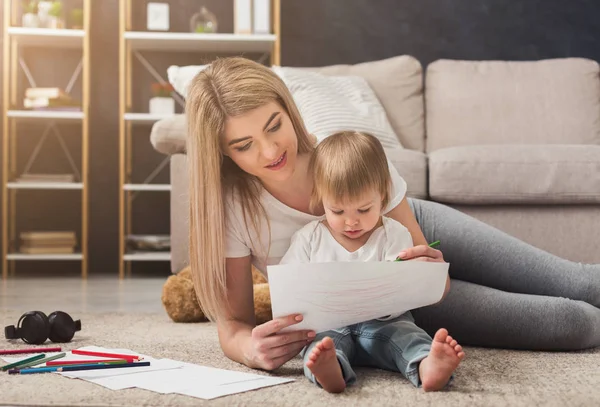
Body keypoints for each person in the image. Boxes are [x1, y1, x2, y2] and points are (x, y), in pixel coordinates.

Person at [185, 56, 600, 372]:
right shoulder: (234, 210)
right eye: (244, 145)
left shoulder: (344, 153)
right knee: (571, 323)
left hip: (410, 242)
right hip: (396, 305)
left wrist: (428, 268)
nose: (270, 151)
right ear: (221, 153)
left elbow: (422, 269)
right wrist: (250, 350)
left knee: (574, 281)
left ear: (288, 110)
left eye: (274, 125)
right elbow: (234, 325)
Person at [278, 131, 465, 393]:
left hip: (384, 323)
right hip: (330, 324)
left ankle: (427, 365)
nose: (351, 221)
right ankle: (330, 371)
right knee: (317, 346)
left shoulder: (394, 233)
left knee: (408, 336)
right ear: (320, 199)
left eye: (363, 210)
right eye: (338, 211)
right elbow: (288, 286)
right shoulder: (309, 238)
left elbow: (404, 290)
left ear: (383, 197)